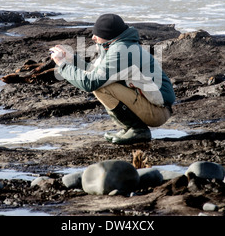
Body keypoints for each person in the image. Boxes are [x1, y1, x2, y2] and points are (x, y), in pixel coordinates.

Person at [50, 14, 175, 145]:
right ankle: (130, 128)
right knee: (101, 83)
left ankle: (137, 130)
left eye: (96, 34)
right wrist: (71, 59)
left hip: (158, 111)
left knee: (101, 87)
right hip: (153, 105)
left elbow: (90, 83)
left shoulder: (121, 50)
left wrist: (62, 65)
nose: (93, 37)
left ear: (108, 35)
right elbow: (94, 70)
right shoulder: (116, 45)